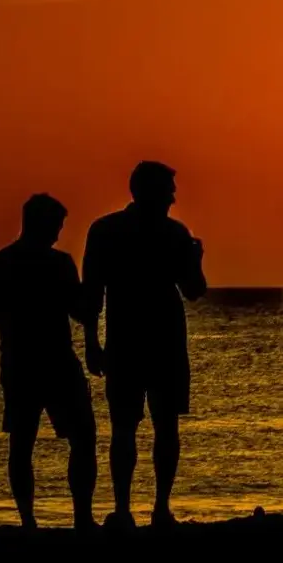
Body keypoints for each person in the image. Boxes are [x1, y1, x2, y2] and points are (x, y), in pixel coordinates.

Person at [82, 161, 206, 529]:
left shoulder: (106, 231)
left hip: (131, 339)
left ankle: (130, 509)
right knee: (157, 427)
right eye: (168, 188)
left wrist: (93, 342)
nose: (173, 196)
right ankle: (156, 509)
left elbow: (92, 294)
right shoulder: (172, 234)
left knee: (133, 427)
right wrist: (196, 260)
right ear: (151, 191)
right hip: (156, 339)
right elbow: (195, 290)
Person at [0, 194, 97, 530]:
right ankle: (78, 518)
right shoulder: (59, 264)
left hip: (21, 363)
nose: (58, 233)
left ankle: (31, 521)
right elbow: (79, 311)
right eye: (56, 225)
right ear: (41, 223)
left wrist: (8, 316)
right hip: (52, 362)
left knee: (25, 443)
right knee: (78, 437)